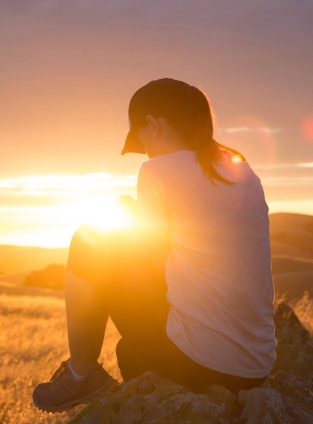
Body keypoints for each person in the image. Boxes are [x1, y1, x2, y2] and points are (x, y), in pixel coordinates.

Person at [33, 78, 276, 413]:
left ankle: (80, 373)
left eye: (142, 138)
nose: (145, 149)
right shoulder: (242, 169)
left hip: (200, 361)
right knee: (128, 353)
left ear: (153, 125)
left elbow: (153, 264)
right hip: (256, 368)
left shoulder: (157, 170)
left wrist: (125, 216)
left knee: (89, 238)